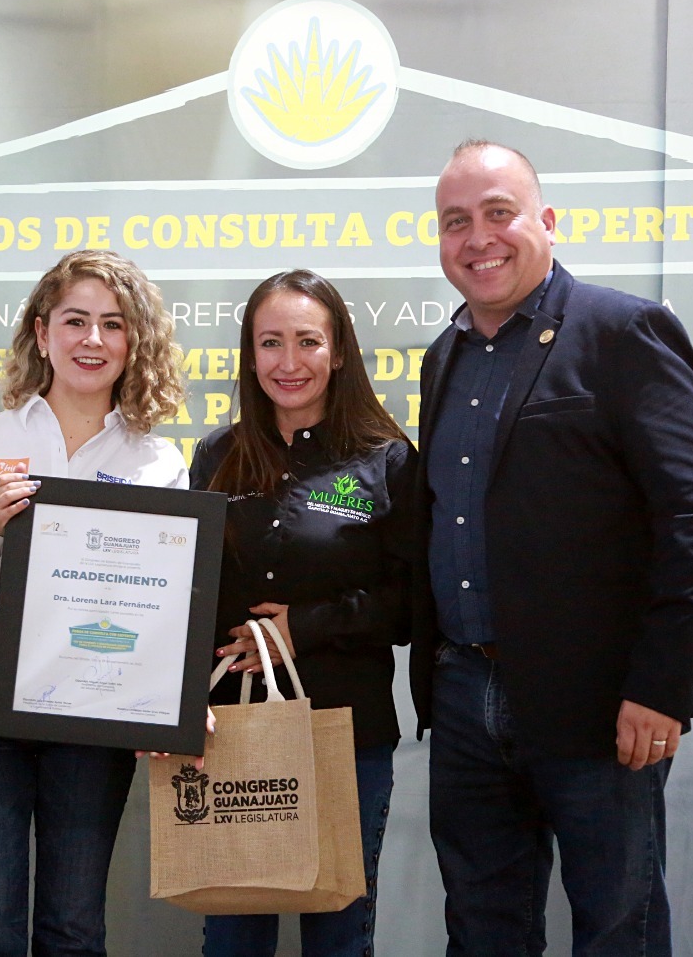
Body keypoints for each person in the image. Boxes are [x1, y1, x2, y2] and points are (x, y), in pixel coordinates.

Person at [413, 140, 693, 956]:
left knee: (619, 929)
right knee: (482, 931)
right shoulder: (443, 357)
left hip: (601, 704)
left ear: (547, 221)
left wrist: (660, 685)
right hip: (465, 696)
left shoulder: (622, 331)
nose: (478, 238)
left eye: (499, 213)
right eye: (456, 221)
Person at [0, 250, 188, 957]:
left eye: (113, 324)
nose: (92, 340)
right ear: (42, 334)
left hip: (92, 716)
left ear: (133, 342)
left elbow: (165, 608)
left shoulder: (157, 463)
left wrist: (165, 697)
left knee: (73, 928)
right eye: (75, 321)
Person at [193, 269, 419, 957]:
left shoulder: (387, 461)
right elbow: (190, 595)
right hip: (229, 732)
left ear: (339, 350)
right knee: (232, 939)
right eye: (270, 343)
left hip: (345, 733)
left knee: (339, 937)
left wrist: (302, 627)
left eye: (307, 341)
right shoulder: (217, 455)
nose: (288, 362)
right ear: (249, 354)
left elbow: (412, 605)